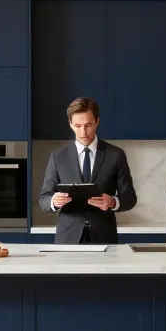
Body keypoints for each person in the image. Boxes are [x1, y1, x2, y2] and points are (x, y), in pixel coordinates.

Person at [37, 97, 137, 244]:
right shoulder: (58, 156)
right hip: (68, 239)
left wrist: (113, 202)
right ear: (70, 123)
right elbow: (44, 198)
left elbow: (130, 197)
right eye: (77, 126)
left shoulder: (116, 155)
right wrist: (54, 201)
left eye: (88, 125)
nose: (83, 132)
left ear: (97, 121)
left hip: (104, 237)